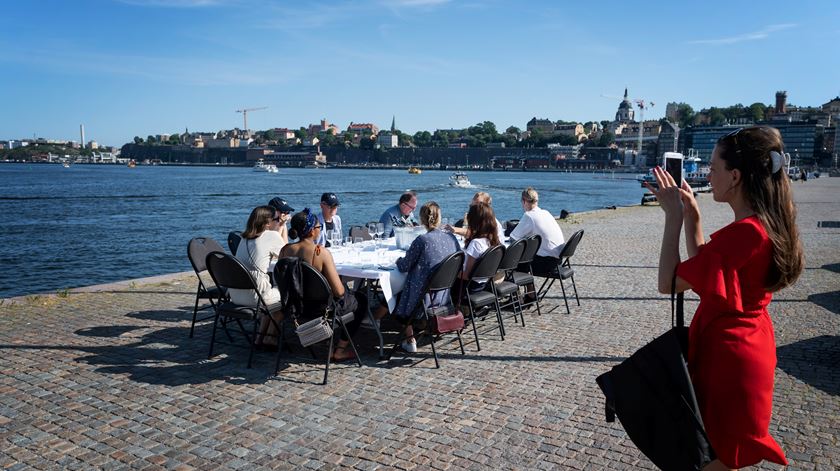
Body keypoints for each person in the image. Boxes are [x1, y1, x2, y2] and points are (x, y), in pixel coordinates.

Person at [645, 126, 803, 470]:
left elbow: (669, 282)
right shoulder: (762, 224)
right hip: (744, 348)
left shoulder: (745, 233)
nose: (708, 175)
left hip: (729, 362)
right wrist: (692, 216)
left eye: (713, 168)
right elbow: (708, 277)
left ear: (734, 176)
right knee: (714, 457)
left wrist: (671, 216)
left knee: (713, 460)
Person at [279, 208, 367, 361]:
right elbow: (339, 292)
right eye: (319, 227)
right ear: (312, 231)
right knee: (361, 299)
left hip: (296, 308)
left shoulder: (285, 251)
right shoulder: (320, 252)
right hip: (320, 310)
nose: (320, 230)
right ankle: (339, 350)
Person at [391, 202, 460, 353]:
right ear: (439, 218)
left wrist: (397, 260)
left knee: (396, 295)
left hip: (424, 299)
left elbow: (404, 266)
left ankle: (410, 340)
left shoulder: (422, 241)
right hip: (445, 295)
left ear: (422, 220)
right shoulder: (452, 239)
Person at [230, 205, 284, 307]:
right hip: (259, 297)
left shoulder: (243, 238)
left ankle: (265, 322)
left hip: (235, 295)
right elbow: (290, 256)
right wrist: (283, 227)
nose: (280, 221)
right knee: (288, 290)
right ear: (268, 223)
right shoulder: (271, 236)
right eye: (277, 219)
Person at [509, 187, 566, 275]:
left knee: (515, 262)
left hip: (547, 264)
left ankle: (517, 287)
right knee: (527, 256)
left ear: (524, 201)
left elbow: (513, 238)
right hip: (558, 260)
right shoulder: (546, 213)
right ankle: (530, 288)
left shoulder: (529, 215)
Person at [454, 202, 501, 303]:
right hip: (483, 284)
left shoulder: (476, 243)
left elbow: (467, 275)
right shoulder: (493, 241)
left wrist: (451, 272)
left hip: (469, 289)